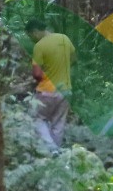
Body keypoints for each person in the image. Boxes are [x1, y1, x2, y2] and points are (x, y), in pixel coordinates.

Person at [26, 18, 76, 153]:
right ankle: (57, 154)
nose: (31, 39)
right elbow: (73, 59)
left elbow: (37, 74)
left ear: (35, 32)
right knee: (58, 123)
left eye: (30, 36)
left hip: (47, 90)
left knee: (37, 118)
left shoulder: (40, 46)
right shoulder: (64, 39)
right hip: (66, 90)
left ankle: (51, 149)